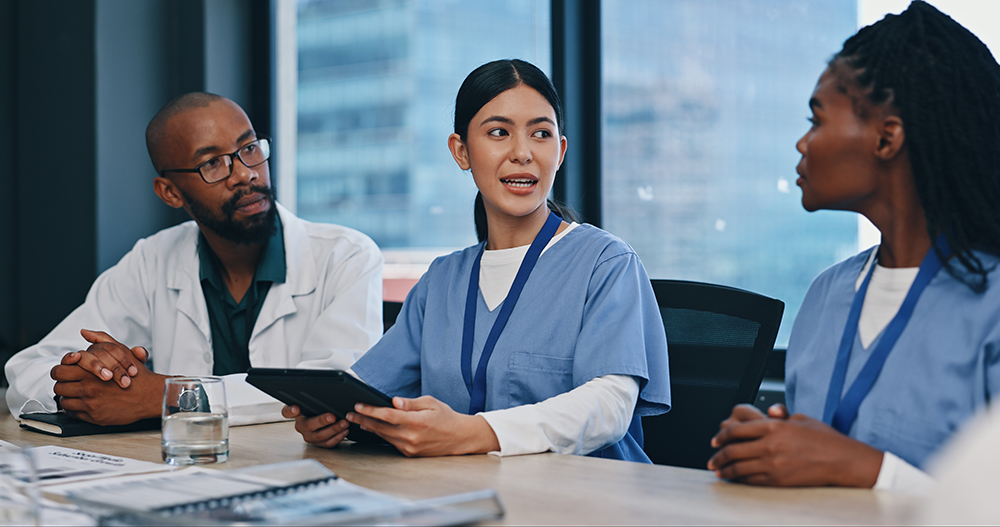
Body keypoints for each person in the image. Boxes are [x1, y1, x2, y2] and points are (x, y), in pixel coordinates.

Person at [284, 59, 670, 461]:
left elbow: (609, 405)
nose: (522, 153)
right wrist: (333, 417)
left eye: (541, 133)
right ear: (461, 151)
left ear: (560, 151)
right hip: (463, 493)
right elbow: (370, 390)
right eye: (499, 133)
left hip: (585, 503)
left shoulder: (605, 263)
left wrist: (476, 433)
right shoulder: (441, 280)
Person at [708, 0, 1000, 490]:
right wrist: (772, 445)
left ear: (887, 139)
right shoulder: (826, 295)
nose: (803, 143)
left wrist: (863, 469)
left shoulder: (990, 303)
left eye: (816, 120)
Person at [4, 93, 384, 426]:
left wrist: (168, 395)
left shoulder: (346, 256)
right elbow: (27, 371)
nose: (246, 174)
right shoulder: (152, 260)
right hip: (182, 473)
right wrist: (92, 380)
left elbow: (338, 386)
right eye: (212, 164)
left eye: (250, 148)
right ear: (170, 192)